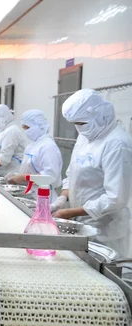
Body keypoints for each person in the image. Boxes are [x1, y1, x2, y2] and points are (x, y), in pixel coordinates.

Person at [52, 89, 132, 257]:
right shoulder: (86, 135)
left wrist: (70, 212)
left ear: (100, 114)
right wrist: (62, 198)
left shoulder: (117, 143)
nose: (78, 128)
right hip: (80, 223)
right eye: (75, 123)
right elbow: (72, 173)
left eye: (81, 123)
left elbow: (115, 198)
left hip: (106, 230)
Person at [6, 110, 63, 200]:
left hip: (43, 195)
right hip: (31, 193)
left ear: (39, 126)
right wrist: (17, 175)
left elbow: (50, 176)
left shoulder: (48, 147)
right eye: (24, 128)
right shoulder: (33, 145)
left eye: (27, 127)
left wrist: (23, 177)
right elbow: (30, 170)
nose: (25, 131)